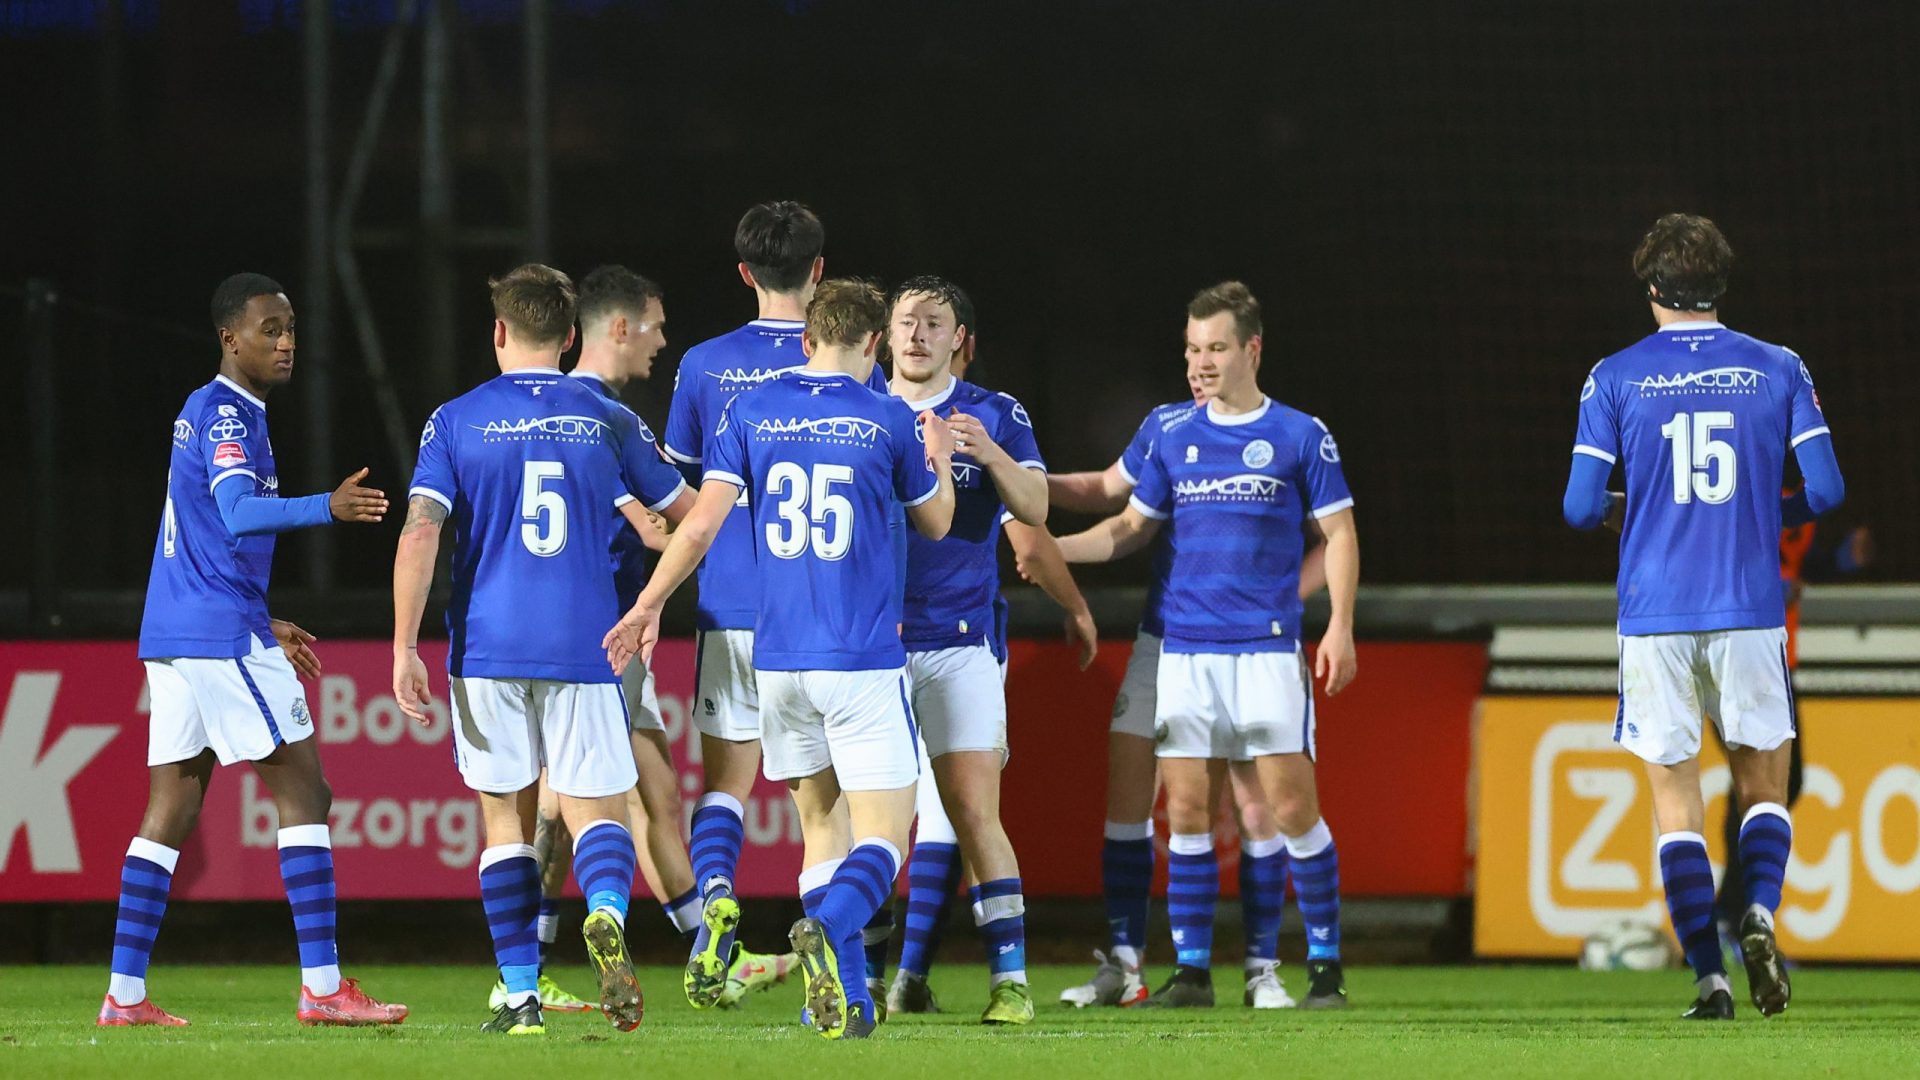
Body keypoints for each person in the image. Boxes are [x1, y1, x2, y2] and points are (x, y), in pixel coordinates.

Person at [604, 278, 957, 1040]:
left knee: (821, 825)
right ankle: (829, 930)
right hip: (860, 659)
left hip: (778, 662)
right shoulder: (887, 416)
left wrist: (648, 603)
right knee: (885, 842)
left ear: (806, 339)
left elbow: (696, 527)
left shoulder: (752, 408)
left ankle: (845, 1004)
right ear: (873, 346)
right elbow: (934, 522)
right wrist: (940, 459)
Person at [393, 264, 696, 1036]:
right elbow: (691, 517)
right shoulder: (607, 417)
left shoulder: (455, 419)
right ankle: (603, 914)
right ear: (569, 337)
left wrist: (404, 644)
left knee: (507, 823)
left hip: (487, 647)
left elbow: (422, 530)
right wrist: (652, 601)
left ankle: (522, 997)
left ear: (499, 332)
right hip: (585, 643)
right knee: (597, 812)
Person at [103, 273, 405, 1028]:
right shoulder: (230, 416)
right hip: (213, 629)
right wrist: (326, 508)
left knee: (171, 805)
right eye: (269, 329)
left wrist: (266, 620)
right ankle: (324, 987)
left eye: (291, 327)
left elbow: (201, 531)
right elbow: (235, 513)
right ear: (228, 338)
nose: (286, 341)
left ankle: (125, 996)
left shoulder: (203, 411)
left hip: (175, 629)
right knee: (307, 790)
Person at [1563, 213, 1843, 1020]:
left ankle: (1710, 983)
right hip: (1750, 606)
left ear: (1652, 289)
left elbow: (1580, 508)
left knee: (1676, 803)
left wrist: (1636, 511)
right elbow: (1824, 493)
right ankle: (1756, 911)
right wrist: (1765, 509)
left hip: (1654, 613)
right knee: (1766, 787)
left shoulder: (1613, 375)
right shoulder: (1778, 367)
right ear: (1722, 284)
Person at [1057, 282, 1358, 1010]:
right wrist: (1054, 549)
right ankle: (1192, 972)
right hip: (1185, 650)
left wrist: (1340, 627)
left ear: (1253, 349)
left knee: (1290, 809)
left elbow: (1340, 534)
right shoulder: (1171, 432)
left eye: (1216, 348)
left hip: (1263, 649)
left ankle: (1324, 967)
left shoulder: (1298, 434)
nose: (1200, 363)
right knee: (1187, 811)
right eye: (1192, 349)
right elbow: (1128, 526)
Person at [659, 202, 894, 1008]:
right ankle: (839, 968)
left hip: (731, 605)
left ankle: (716, 900)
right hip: (830, 616)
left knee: (726, 785)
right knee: (837, 815)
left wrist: (655, 594)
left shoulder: (703, 366)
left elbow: (683, 500)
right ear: (821, 271)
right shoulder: (864, 372)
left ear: (744, 273)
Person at [881, 284, 1100, 1019]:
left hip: (960, 645)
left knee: (974, 814)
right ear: (884, 335)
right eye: (905, 322)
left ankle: (1011, 983)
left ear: (958, 340)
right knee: (868, 825)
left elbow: (1034, 511)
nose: (916, 334)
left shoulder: (995, 413)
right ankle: (875, 980)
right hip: (870, 649)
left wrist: (988, 452)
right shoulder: (859, 411)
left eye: (932, 324)